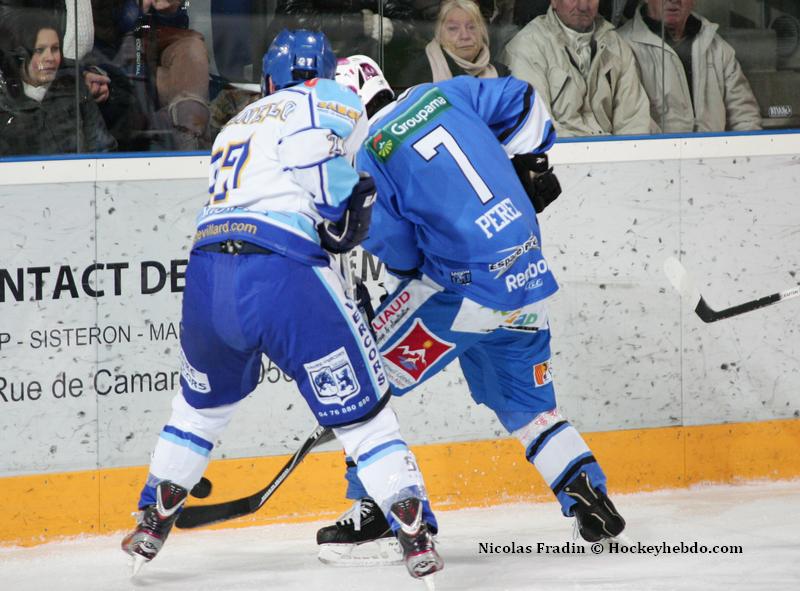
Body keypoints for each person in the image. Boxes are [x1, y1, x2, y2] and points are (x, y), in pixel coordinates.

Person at [119, 29, 443, 584]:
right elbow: (316, 165)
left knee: (197, 411)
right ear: (325, 71)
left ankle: (154, 515)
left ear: (269, 78)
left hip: (209, 274)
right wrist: (345, 205)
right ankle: (412, 527)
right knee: (365, 420)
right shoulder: (328, 95)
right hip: (282, 272)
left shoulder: (237, 122)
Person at [316, 55, 626, 565]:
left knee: (362, 384)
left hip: (463, 294)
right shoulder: (445, 94)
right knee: (530, 409)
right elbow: (523, 98)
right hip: (526, 278)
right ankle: (586, 493)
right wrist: (532, 163)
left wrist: (388, 310)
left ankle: (385, 514)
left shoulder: (370, 155)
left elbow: (402, 254)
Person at [500, 0, 652, 137]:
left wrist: (623, 154)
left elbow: (635, 119)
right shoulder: (526, 47)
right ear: (554, 1)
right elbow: (536, 127)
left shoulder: (616, 45)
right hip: (560, 154)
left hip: (615, 153)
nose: (583, 6)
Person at [617, 0, 761, 133]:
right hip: (657, 152)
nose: (674, 0)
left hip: (714, 152)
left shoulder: (717, 47)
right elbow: (632, 126)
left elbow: (745, 117)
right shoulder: (621, 46)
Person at [91, 0, 211, 150]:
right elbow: (102, 25)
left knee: (192, 49)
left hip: (148, 59)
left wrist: (169, 11)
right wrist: (138, 6)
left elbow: (178, 23)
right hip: (110, 67)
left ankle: (190, 148)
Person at [0, 15, 116, 156]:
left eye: (55, 49)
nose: (50, 58)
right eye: (40, 50)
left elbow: (102, 147)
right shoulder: (5, 100)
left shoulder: (74, 87)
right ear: (22, 54)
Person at [394, 0, 509, 89]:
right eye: (453, 28)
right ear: (439, 34)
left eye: (472, 27)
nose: (465, 36)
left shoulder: (501, 74)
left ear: (482, 32)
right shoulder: (417, 74)